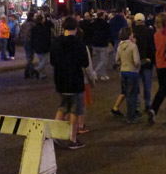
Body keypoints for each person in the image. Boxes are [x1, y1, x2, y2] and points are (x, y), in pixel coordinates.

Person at [50, 16, 89, 149]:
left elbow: (52, 61)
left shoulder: (56, 42)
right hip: (75, 81)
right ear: (76, 28)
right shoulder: (79, 43)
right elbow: (85, 62)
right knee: (74, 111)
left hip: (60, 80)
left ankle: (54, 135)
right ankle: (73, 139)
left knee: (62, 107)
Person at [113, 26, 141, 123]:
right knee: (132, 95)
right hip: (132, 72)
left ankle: (130, 115)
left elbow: (116, 60)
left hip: (123, 71)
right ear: (129, 35)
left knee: (126, 93)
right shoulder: (133, 46)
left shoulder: (120, 46)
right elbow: (136, 61)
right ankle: (131, 116)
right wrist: (138, 66)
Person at [132, 13, 156, 112]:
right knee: (147, 85)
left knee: (136, 86)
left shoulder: (131, 32)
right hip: (147, 62)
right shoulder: (149, 32)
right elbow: (153, 48)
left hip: (135, 63)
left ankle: (137, 106)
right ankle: (148, 104)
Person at [30, 14, 53, 79]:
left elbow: (32, 38)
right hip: (45, 46)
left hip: (37, 46)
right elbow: (48, 37)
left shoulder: (34, 28)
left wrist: (33, 45)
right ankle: (37, 69)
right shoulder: (45, 28)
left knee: (41, 60)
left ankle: (42, 74)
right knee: (45, 60)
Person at [91, 11, 111, 80]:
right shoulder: (105, 24)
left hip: (94, 43)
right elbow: (108, 33)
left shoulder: (93, 23)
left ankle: (102, 74)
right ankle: (95, 72)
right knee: (103, 60)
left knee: (97, 60)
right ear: (102, 16)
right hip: (103, 44)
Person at [19, 11, 36, 78]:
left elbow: (20, 33)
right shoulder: (32, 24)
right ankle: (27, 71)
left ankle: (31, 71)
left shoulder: (24, 24)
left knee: (28, 56)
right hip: (31, 41)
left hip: (25, 41)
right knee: (30, 57)